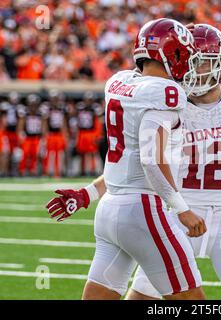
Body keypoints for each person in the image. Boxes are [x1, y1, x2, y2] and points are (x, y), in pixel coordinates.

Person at [46, 23, 221, 300]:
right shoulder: (169, 99)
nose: (195, 70)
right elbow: (145, 160)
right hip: (176, 213)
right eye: (191, 60)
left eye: (202, 62)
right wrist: (90, 192)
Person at [46, 18, 207, 300]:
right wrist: (182, 208)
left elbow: (125, 161)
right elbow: (149, 159)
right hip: (143, 209)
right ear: (174, 55)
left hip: (109, 210)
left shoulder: (120, 83)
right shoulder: (164, 93)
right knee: (190, 300)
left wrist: (87, 194)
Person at [42, 90, 69, 177]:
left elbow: (64, 123)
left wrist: (65, 135)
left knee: (60, 153)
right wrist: (44, 135)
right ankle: (48, 172)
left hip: (59, 134)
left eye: (56, 99)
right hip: (50, 134)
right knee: (49, 153)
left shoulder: (62, 108)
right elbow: (44, 122)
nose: (55, 101)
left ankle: (58, 172)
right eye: (53, 99)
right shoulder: (47, 108)